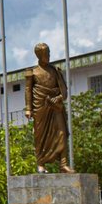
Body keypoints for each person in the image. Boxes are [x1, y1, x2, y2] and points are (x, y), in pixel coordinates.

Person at [24, 42, 73, 172]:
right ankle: (41, 163)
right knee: (40, 137)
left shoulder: (55, 71)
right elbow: (28, 90)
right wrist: (28, 108)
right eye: (46, 54)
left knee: (62, 133)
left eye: (49, 53)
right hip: (40, 107)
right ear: (39, 55)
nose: (48, 56)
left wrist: (59, 98)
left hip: (56, 107)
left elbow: (64, 90)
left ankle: (63, 164)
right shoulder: (32, 72)